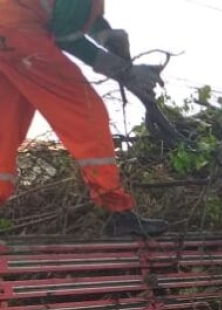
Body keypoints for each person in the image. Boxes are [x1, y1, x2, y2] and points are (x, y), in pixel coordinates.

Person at [0, 0, 167, 235]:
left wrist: (105, 33)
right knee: (85, 113)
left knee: (5, 127)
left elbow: (74, 15)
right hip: (20, 34)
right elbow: (66, 36)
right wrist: (124, 71)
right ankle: (117, 211)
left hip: (8, 31)